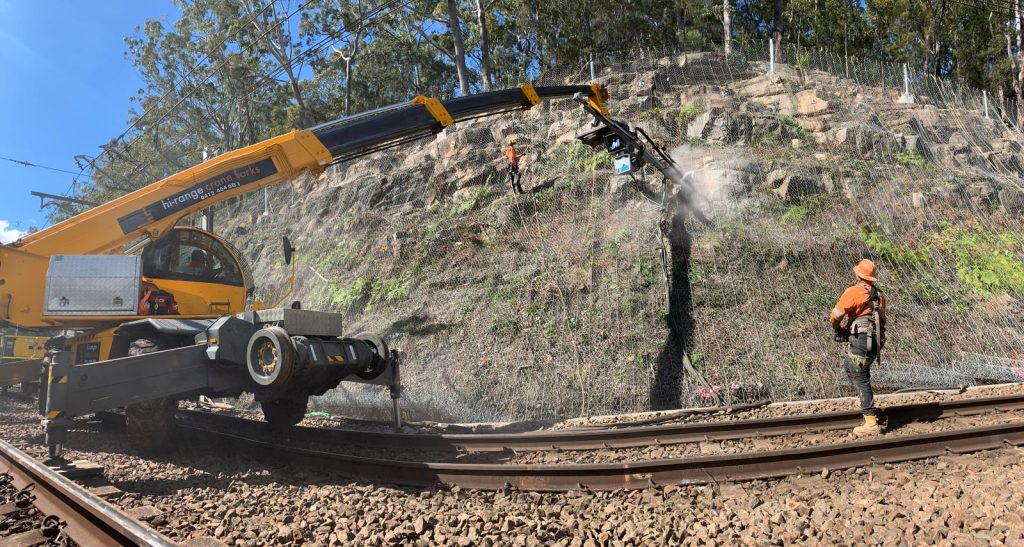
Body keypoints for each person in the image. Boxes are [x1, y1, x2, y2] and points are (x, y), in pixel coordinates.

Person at [829, 259, 887, 436]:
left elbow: (835, 316)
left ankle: (870, 422)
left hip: (861, 339)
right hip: (874, 340)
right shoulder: (879, 295)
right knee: (850, 367)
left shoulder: (853, 291)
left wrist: (838, 328)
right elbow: (882, 320)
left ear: (858, 275)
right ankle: (864, 399)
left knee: (860, 376)